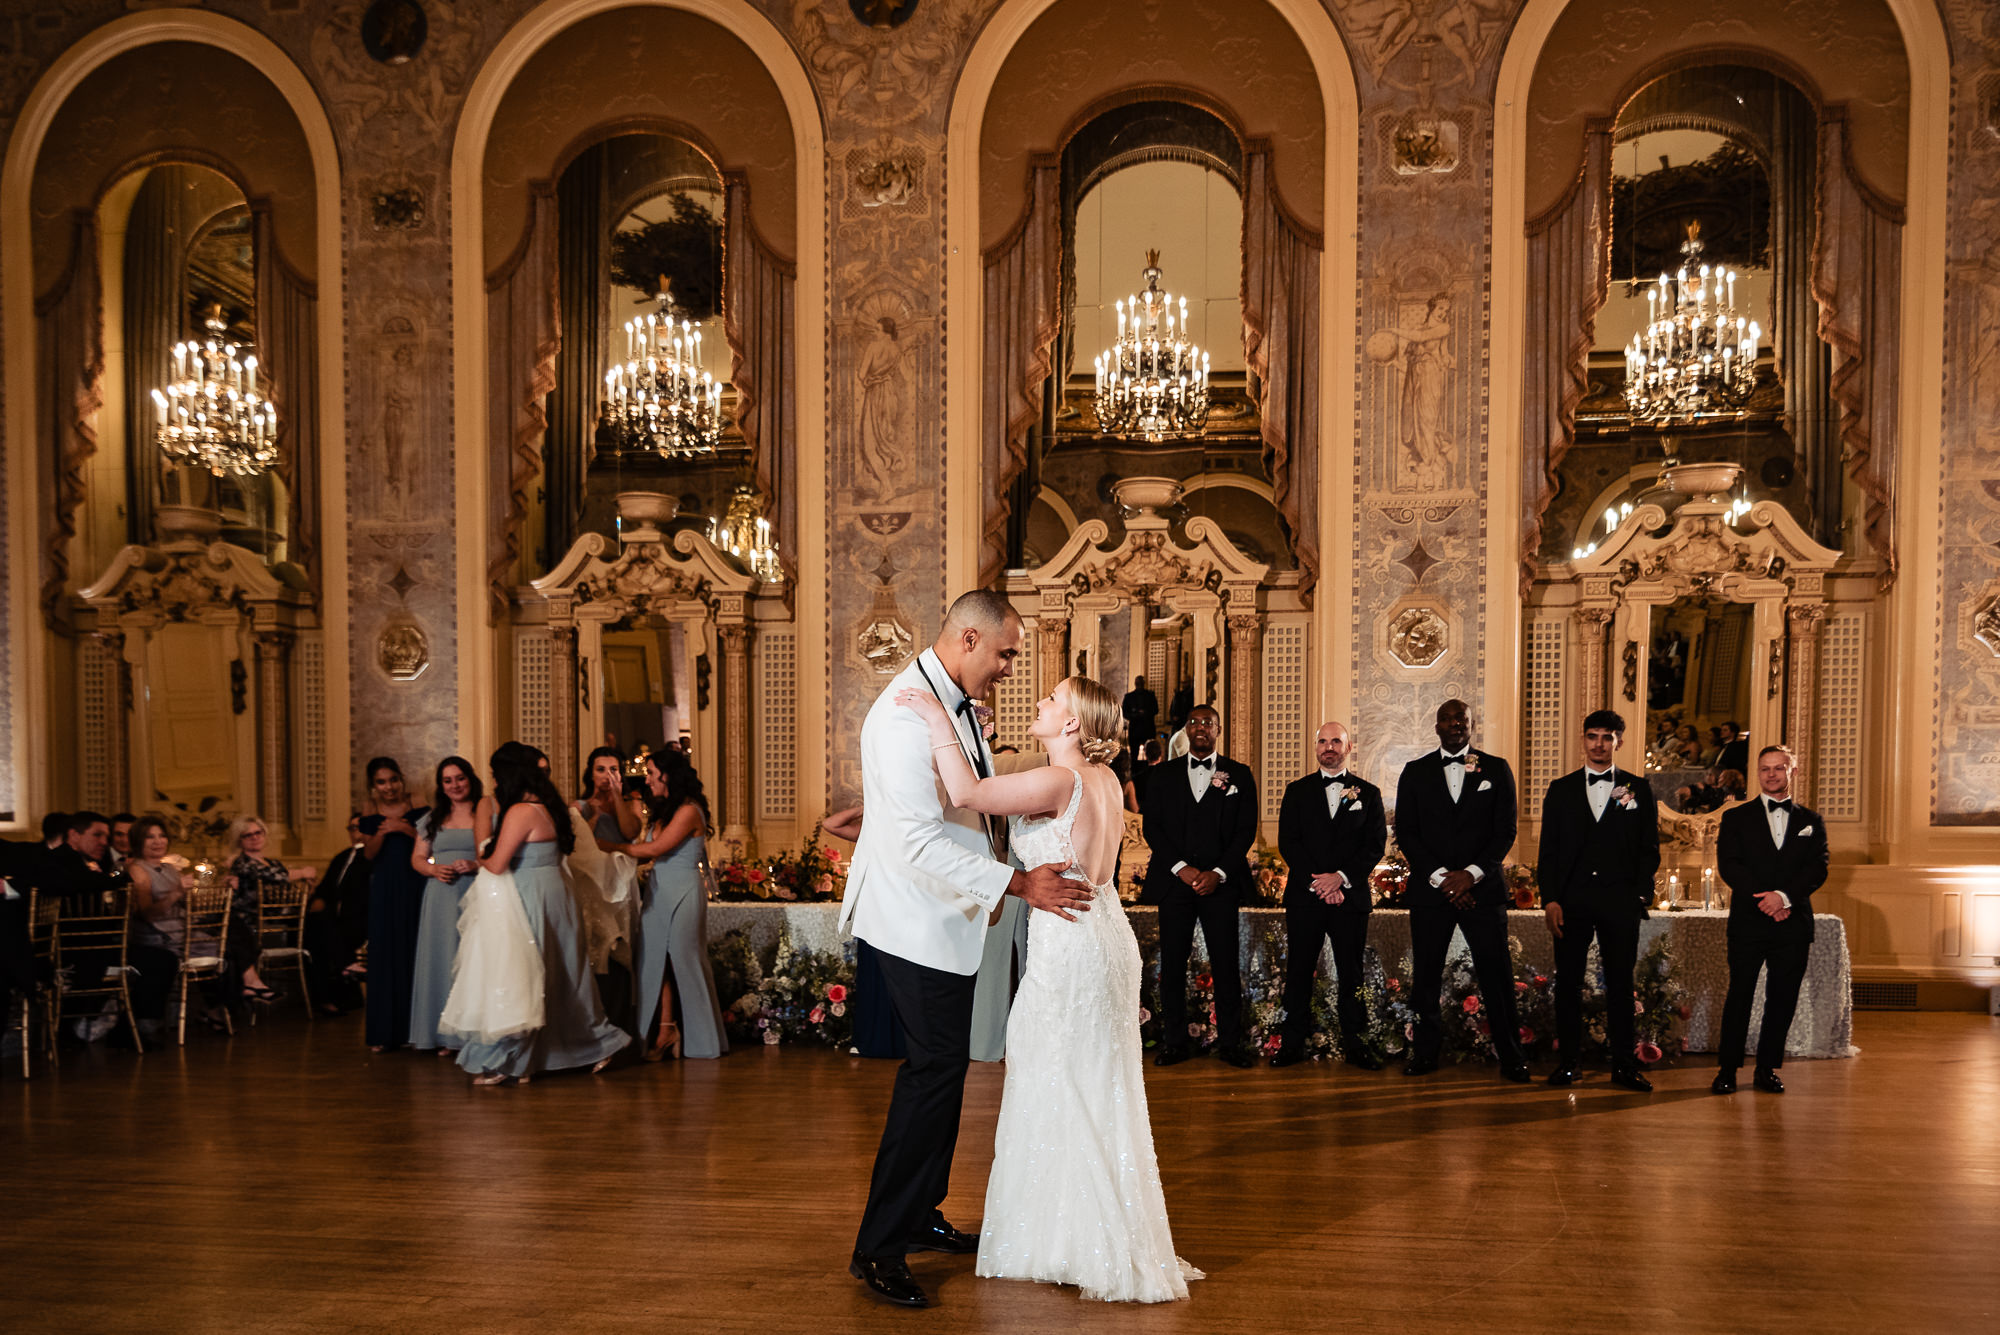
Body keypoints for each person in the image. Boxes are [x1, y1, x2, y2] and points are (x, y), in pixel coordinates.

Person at [899, 673, 1199, 1304]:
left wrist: (937, 718)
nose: (1038, 704)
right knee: (1094, 1082)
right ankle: (1078, 1233)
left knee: (1053, 1074)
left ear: (1070, 724)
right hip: (1103, 931)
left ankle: (1071, 1237)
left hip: (1068, 943)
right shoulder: (1105, 780)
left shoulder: (1060, 779)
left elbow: (967, 792)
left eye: (1051, 701)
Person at [837, 590, 1083, 1311]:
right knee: (932, 1074)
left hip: (943, 917)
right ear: (969, 639)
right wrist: (1017, 883)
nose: (1009, 667)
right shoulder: (904, 713)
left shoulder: (943, 701)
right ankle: (878, 1246)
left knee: (942, 1073)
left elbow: (965, 798)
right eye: (1005, 653)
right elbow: (916, 840)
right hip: (914, 920)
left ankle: (919, 1214)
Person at [454, 742, 630, 1085]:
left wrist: (480, 853)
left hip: (533, 894)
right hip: (554, 892)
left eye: (495, 774)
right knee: (561, 971)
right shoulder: (546, 806)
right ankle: (583, 1045)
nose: (492, 782)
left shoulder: (521, 810)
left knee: (530, 974)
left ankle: (517, 1056)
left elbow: (496, 863)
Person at [1393, 699, 1529, 1082]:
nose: (1455, 725)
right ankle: (1424, 1055)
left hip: (1482, 892)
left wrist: (1470, 875)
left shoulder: (1497, 769)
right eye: (1448, 720)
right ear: (1436, 726)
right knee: (1426, 978)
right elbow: (1407, 832)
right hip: (1431, 892)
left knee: (1497, 977)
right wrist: (1443, 878)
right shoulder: (1415, 772)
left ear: (1472, 726)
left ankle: (1512, 1056)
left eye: (1462, 720)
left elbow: (1505, 831)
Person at [1537, 710, 1661, 1091]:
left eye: (1607, 737)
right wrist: (1551, 900)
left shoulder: (1636, 789)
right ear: (1583, 739)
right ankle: (1569, 1064)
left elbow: (1649, 849)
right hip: (1571, 902)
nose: (1599, 744)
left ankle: (1624, 1065)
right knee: (1569, 984)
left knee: (1621, 986)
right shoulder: (1561, 789)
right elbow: (1549, 852)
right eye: (1593, 736)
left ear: (1619, 742)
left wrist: (1638, 893)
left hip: (1619, 902)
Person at [1140, 703, 1258, 1069]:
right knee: (1173, 965)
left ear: (1218, 730)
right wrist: (1182, 869)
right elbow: (1152, 828)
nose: (1200, 727)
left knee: (1225, 964)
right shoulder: (1163, 775)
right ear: (1185, 730)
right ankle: (1174, 1042)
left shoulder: (1238, 774)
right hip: (1175, 885)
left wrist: (1218, 872)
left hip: (1220, 886)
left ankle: (1230, 1043)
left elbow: (1245, 831)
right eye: (1194, 722)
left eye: (1208, 722)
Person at [1712, 746, 1828, 1096]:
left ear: (1793, 771)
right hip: (1749, 921)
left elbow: (1817, 868)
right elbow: (1730, 866)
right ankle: (1727, 1069)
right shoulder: (1736, 818)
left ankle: (1766, 1068)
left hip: (1793, 924)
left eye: (1779, 768)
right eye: (1765, 769)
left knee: (1782, 999)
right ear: (1757, 774)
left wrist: (1784, 898)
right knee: (1739, 996)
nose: (1772, 774)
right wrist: (1767, 900)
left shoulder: (1812, 821)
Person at [1273, 721, 1387, 1069]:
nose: (1328, 747)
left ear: (1348, 748)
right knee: (1299, 972)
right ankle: (1292, 1045)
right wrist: (1320, 884)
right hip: (1305, 898)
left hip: (1349, 900)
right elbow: (1288, 842)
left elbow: (1374, 845)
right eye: (1322, 741)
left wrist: (1340, 879)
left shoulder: (1368, 793)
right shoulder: (1296, 791)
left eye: (1336, 741)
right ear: (1316, 747)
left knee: (1352, 973)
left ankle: (1357, 1046)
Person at [600, 749, 727, 1061]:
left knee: (685, 958)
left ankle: (704, 1040)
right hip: (658, 891)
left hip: (683, 890)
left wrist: (609, 847)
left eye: (651, 773)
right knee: (654, 962)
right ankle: (662, 1030)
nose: (647, 779)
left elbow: (656, 848)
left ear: (667, 776)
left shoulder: (689, 810)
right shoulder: (663, 811)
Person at [408, 757, 491, 1052]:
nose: (455, 785)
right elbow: (417, 858)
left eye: (460, 778)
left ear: (471, 779)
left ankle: (468, 1034)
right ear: (441, 786)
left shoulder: (487, 812)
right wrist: (433, 869)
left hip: (474, 892)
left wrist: (474, 864)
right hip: (439, 896)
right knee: (441, 959)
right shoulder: (433, 818)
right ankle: (442, 1034)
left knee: (470, 960)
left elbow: (497, 855)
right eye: (448, 780)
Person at [359, 757, 426, 1053]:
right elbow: (369, 855)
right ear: (373, 786)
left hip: (414, 884)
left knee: (413, 950)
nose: (389, 787)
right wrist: (383, 833)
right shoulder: (369, 811)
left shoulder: (418, 803)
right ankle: (383, 1032)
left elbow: (430, 840)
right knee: (385, 954)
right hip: (384, 888)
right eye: (382, 782)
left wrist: (404, 828)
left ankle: (416, 1030)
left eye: (393, 780)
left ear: (401, 779)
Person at [123, 816, 204, 1036]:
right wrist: (177, 892)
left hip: (181, 932)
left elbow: (186, 905)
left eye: (162, 836)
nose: (158, 841)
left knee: (227, 945)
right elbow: (147, 914)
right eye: (150, 837)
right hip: (154, 937)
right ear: (139, 840)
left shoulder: (169, 869)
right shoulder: (137, 870)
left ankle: (215, 1010)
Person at [224, 816, 301, 1007]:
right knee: (232, 928)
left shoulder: (272, 862)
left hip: (275, 922)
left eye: (258, 832)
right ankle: (251, 983)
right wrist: (305, 872)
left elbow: (282, 879)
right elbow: (279, 877)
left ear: (264, 834)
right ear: (239, 841)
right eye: (247, 835)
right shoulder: (242, 863)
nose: (254, 837)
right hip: (249, 922)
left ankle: (250, 984)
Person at [306, 813, 370, 1014]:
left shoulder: (370, 858)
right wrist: (315, 896)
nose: (355, 833)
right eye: (351, 828)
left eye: (359, 827)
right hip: (336, 922)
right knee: (313, 939)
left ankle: (330, 994)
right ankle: (336, 992)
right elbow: (325, 890)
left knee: (321, 932)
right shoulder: (341, 857)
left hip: (360, 920)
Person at [576, 746, 640, 846]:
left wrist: (617, 796)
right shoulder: (578, 807)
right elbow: (578, 844)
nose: (607, 775)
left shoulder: (632, 804)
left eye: (613, 769)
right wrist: (595, 816)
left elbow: (630, 834)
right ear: (591, 774)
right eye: (601, 770)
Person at [1121, 675, 1158, 751]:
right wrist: (1135, 715)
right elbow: (1124, 712)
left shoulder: (1150, 695)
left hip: (1148, 729)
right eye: (1138, 684)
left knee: (1150, 753)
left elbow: (1155, 710)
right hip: (1135, 730)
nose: (1140, 685)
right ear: (1135, 684)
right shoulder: (1129, 697)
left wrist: (1145, 713)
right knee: (1134, 755)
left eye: (1141, 683)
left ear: (1144, 683)